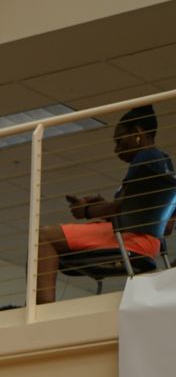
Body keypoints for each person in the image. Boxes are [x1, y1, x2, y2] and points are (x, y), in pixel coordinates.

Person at [35, 105, 175, 303]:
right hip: (150, 247)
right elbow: (165, 226)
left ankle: (39, 311)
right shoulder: (166, 164)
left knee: (44, 237)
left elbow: (122, 208)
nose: (116, 149)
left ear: (137, 133)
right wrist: (104, 206)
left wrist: (86, 210)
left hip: (129, 240)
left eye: (119, 141)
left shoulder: (146, 157)